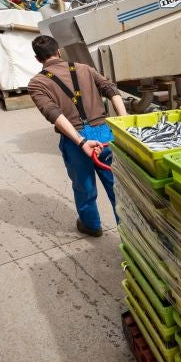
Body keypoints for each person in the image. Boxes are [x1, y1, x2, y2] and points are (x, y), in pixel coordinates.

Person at [27, 35, 127, 237]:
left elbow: (53, 113)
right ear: (59, 52)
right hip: (104, 134)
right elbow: (110, 89)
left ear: (37, 59)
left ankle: (91, 225)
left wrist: (81, 141)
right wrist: (124, 121)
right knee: (116, 185)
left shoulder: (37, 83)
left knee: (84, 186)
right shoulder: (84, 68)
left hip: (75, 140)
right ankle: (129, 229)